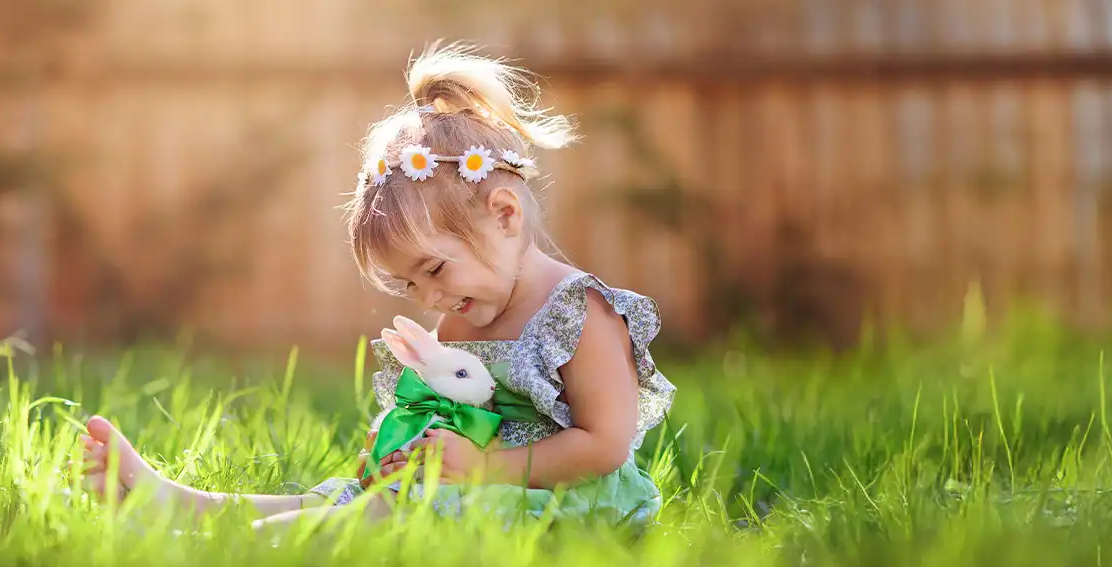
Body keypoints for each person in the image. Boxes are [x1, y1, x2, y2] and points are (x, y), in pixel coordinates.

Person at [76, 42, 677, 531]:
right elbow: (449, 408)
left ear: (504, 214)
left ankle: (237, 546)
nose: (429, 298)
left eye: (434, 270)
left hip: (564, 503)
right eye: (408, 283)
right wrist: (404, 449)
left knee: (391, 518)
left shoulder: (579, 312)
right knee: (350, 497)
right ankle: (180, 504)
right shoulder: (464, 314)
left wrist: (485, 467)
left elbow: (605, 445)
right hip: (472, 486)